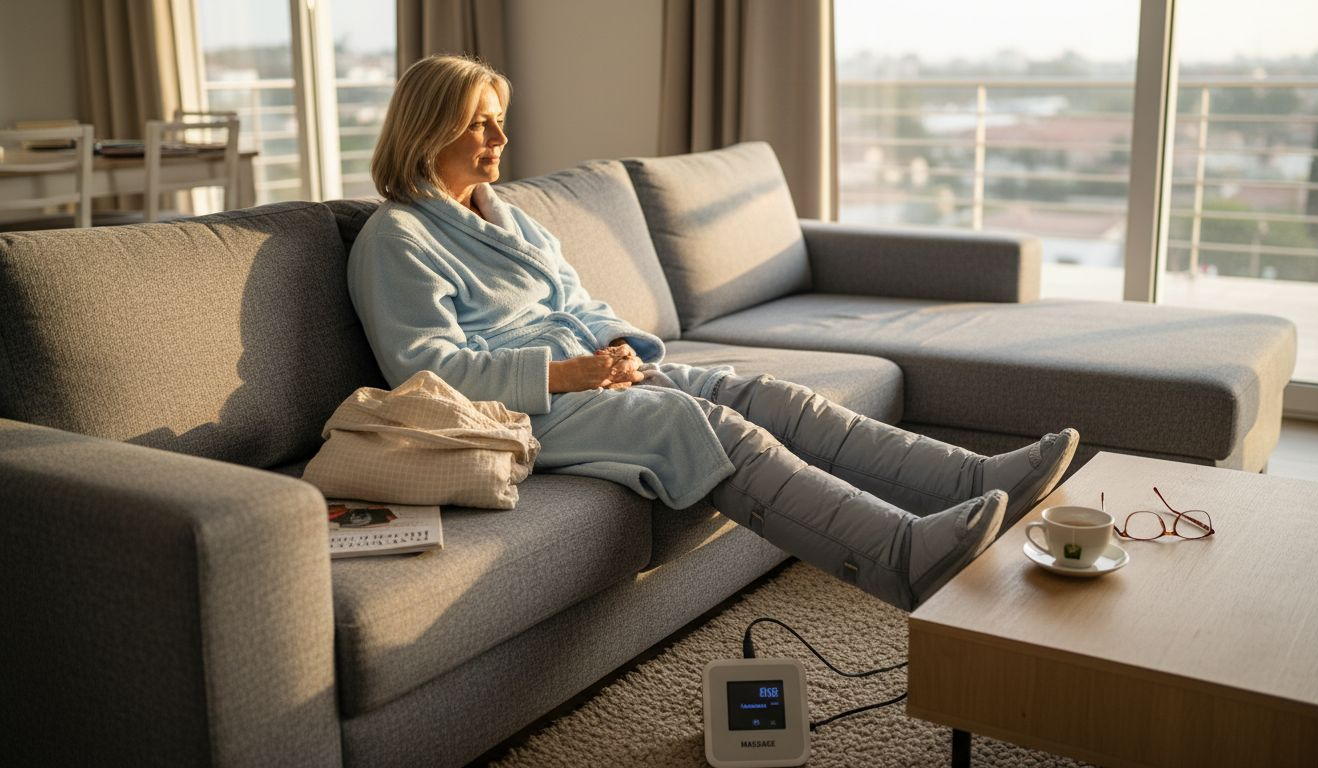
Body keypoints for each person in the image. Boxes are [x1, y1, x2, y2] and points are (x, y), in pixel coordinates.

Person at [348, 55, 1079, 611]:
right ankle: (902, 554)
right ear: (428, 128)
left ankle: (973, 478)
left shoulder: (509, 216)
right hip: (524, 410)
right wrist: (566, 373)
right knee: (704, 425)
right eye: (481, 122)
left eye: (499, 119)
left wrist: (621, 348)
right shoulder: (398, 239)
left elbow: (580, 300)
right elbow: (425, 372)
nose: (501, 137)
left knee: (763, 394)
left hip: (597, 378)